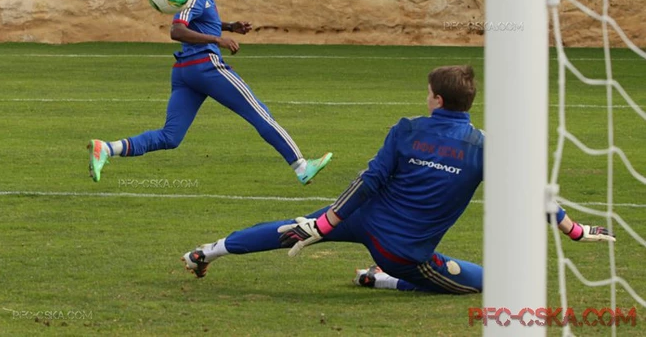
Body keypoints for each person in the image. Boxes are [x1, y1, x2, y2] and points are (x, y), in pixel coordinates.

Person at [181, 65, 615, 292]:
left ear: (437, 99)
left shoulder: (406, 128)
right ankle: (381, 277)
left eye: (428, 92)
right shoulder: (484, 148)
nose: (425, 97)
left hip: (360, 217)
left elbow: (369, 180)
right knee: (492, 283)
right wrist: (575, 230)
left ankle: (207, 251)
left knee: (291, 228)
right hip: (400, 252)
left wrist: (325, 223)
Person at [87, 0, 332, 186]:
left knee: (170, 137)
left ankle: (107, 149)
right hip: (205, 66)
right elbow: (177, 30)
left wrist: (230, 26)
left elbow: (201, 20)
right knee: (259, 113)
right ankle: (301, 166)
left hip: (185, 72)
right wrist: (218, 40)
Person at [352, 209, 615, 291]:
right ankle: (383, 279)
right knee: (487, 281)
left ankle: (381, 277)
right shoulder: (477, 147)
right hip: (406, 243)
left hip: (379, 223)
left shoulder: (409, 133)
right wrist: (574, 230)